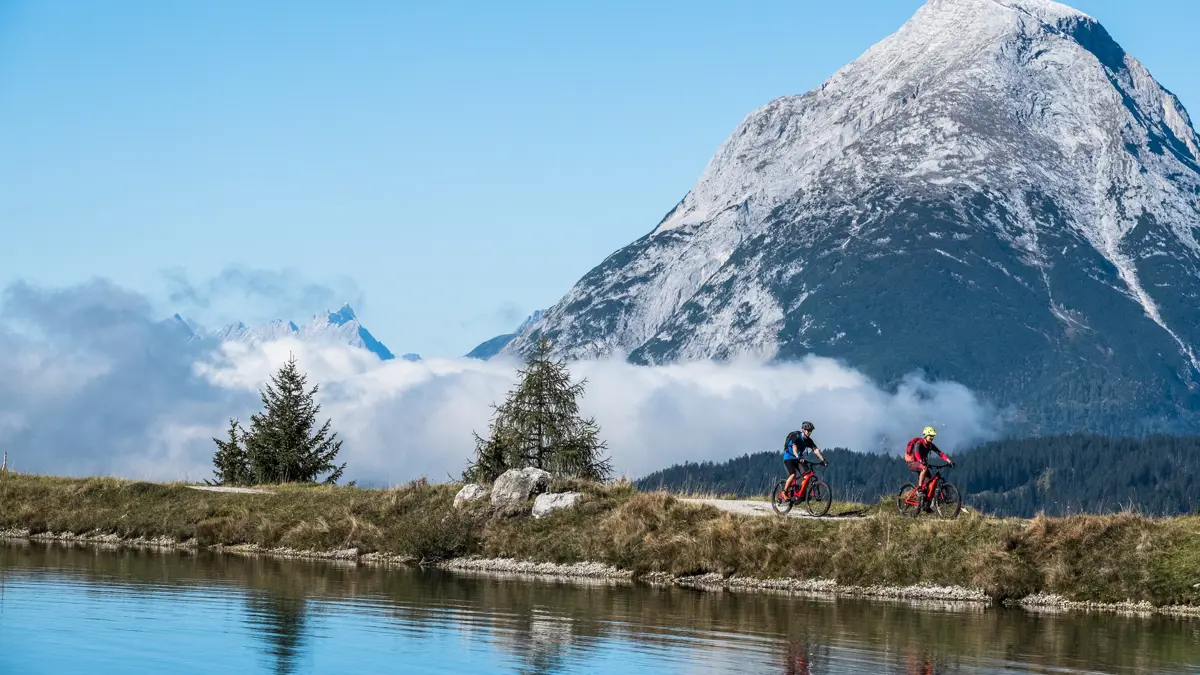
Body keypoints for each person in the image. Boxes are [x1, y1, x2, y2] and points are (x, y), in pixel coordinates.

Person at [905, 426, 953, 509]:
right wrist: (920, 461)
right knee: (924, 468)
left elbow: (940, 453)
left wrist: (949, 461)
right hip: (913, 463)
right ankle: (919, 489)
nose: (932, 438)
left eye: (933, 436)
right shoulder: (919, 443)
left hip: (922, 463)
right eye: (930, 436)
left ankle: (926, 506)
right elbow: (917, 453)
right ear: (925, 436)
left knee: (929, 484)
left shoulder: (930, 445)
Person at [781, 421, 826, 499]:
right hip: (789, 457)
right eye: (808, 430)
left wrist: (823, 460)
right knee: (793, 475)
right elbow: (794, 448)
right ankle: (784, 492)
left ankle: (801, 494)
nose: (809, 432)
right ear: (803, 430)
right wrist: (797, 456)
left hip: (799, 459)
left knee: (807, 475)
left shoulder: (808, 440)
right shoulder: (796, 437)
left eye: (810, 431)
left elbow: (815, 450)